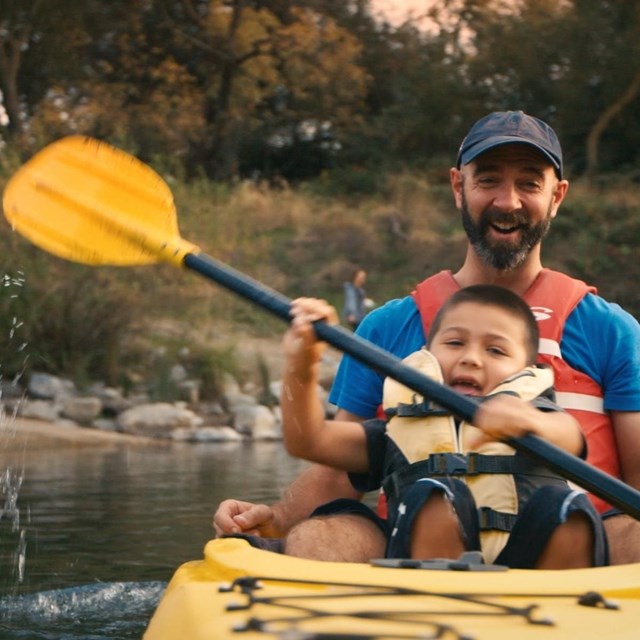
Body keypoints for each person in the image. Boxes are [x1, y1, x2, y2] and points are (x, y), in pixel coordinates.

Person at [213, 110, 640, 564]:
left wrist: (531, 423)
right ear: (459, 187)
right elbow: (338, 474)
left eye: (530, 184)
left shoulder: (610, 329)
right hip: (413, 542)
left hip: (575, 549)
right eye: (488, 180)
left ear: (557, 196)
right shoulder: (386, 327)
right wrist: (278, 517)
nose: (508, 201)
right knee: (318, 538)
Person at [281, 289, 607, 568]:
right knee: (433, 494)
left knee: (567, 510)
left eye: (495, 350)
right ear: (427, 354)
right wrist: (303, 366)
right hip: (427, 575)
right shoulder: (397, 431)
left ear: (525, 369)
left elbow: (569, 438)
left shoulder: (540, 420)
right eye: (454, 343)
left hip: (533, 576)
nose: (471, 358)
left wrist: (529, 421)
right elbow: (309, 441)